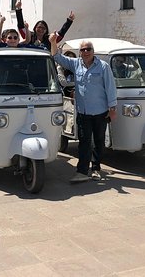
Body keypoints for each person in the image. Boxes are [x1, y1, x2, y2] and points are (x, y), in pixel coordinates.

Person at [50, 34, 117, 183]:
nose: (86, 52)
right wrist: (53, 42)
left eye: (88, 49)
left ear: (93, 51)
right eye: (83, 49)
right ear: (80, 52)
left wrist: (112, 108)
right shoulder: (75, 64)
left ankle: (96, 168)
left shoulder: (103, 67)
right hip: (83, 112)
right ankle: (82, 171)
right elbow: (56, 57)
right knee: (84, 141)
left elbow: (110, 88)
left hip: (100, 112)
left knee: (99, 141)